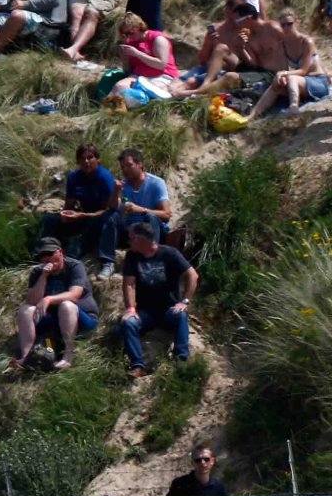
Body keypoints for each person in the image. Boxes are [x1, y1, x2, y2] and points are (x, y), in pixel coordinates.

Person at [117, 221, 195, 377]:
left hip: (169, 308)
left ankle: (181, 359)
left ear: (141, 240)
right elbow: (129, 284)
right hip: (146, 310)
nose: (128, 242)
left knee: (180, 315)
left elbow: (192, 275)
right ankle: (138, 366)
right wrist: (131, 309)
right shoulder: (132, 256)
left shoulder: (169, 253)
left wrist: (185, 301)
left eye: (131, 238)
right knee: (128, 323)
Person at [11, 237, 98, 371]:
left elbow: (75, 295)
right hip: (53, 321)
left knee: (66, 305)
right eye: (42, 256)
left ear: (60, 252)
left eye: (50, 254)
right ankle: (27, 357)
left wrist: (48, 299)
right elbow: (32, 301)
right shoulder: (37, 272)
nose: (47, 259)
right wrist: (44, 277)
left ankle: (68, 357)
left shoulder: (74, 266)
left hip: (81, 317)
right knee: (25, 310)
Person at [39, 143, 119, 270]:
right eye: (82, 158)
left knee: (76, 247)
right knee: (49, 220)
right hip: (82, 217)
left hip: (99, 219)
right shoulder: (74, 177)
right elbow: (69, 203)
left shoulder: (104, 178)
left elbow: (107, 210)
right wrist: (65, 215)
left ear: (97, 159)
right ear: (78, 161)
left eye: (90, 157)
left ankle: (79, 258)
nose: (86, 162)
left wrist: (82, 215)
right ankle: (45, 252)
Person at [251, 9, 328, 114]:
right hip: (300, 83)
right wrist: (281, 78)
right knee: (276, 84)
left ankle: (294, 108)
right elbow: (283, 69)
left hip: (317, 82)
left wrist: (284, 74)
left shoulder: (306, 42)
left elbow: (303, 70)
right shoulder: (282, 45)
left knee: (291, 78)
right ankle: (253, 115)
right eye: (283, 25)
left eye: (290, 24)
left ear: (297, 23)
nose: (287, 27)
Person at [107, 149, 174, 253]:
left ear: (140, 164)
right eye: (122, 167)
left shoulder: (156, 183)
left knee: (150, 217)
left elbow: (167, 215)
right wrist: (116, 191)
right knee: (111, 216)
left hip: (152, 231)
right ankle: (108, 260)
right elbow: (112, 207)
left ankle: (152, 256)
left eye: (129, 165)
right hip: (131, 231)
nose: (125, 170)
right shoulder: (123, 185)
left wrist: (141, 210)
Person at [117, 11, 181, 87]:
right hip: (139, 76)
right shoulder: (130, 42)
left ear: (138, 27)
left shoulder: (157, 38)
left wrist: (137, 54)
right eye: (125, 34)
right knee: (120, 86)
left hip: (162, 76)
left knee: (138, 89)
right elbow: (128, 71)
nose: (128, 36)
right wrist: (125, 60)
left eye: (130, 33)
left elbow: (161, 65)